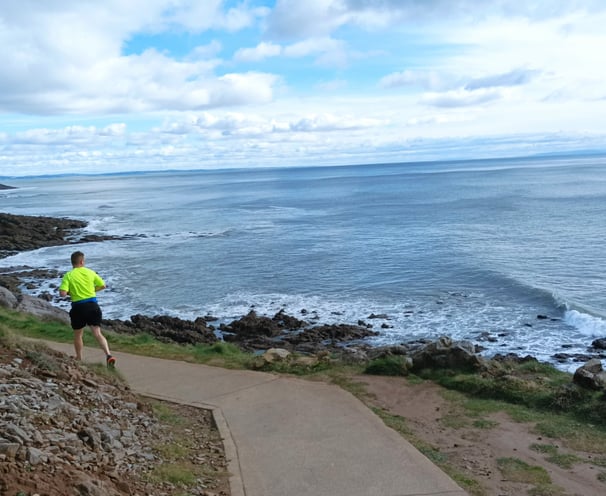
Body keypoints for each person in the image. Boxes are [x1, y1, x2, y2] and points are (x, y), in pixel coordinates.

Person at [59, 251, 116, 367]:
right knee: (97, 333)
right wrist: (92, 291)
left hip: (78, 307)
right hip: (92, 305)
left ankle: (79, 357)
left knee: (78, 334)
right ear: (82, 261)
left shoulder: (68, 275)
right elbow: (103, 285)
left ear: (72, 263)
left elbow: (63, 294)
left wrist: (71, 292)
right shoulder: (90, 272)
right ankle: (108, 355)